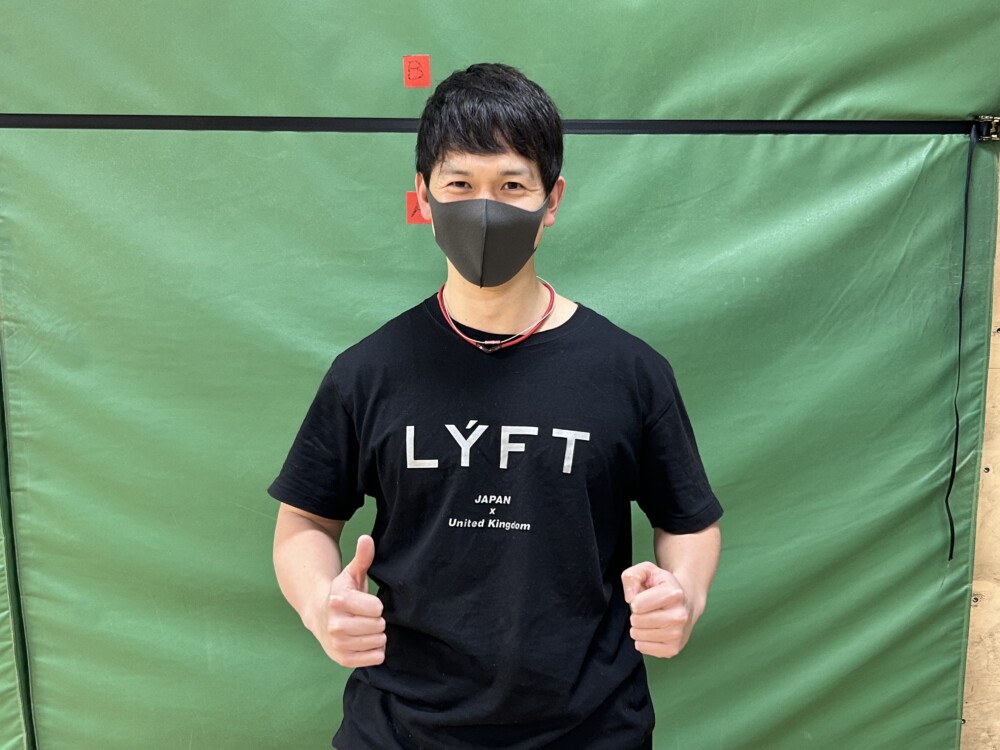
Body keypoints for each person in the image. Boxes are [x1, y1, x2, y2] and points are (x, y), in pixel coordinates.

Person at [270, 62, 723, 750]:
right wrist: (318, 603)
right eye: (459, 185)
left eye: (512, 185)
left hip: (590, 730)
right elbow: (304, 520)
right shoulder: (368, 371)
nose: (484, 210)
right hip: (400, 730)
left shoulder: (629, 371)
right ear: (423, 197)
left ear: (552, 199)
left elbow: (688, 520)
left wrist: (683, 595)